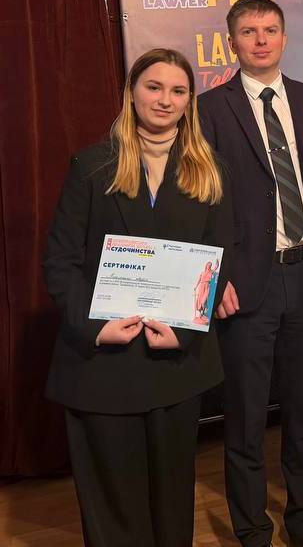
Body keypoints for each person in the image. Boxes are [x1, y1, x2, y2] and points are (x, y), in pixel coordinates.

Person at [43, 48, 232, 547]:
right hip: (103, 365)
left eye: (178, 91)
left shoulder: (209, 170)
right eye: (154, 87)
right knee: (115, 512)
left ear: (189, 102)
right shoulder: (92, 165)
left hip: (174, 363)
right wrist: (95, 327)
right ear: (131, 93)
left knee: (172, 507)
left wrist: (186, 332)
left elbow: (217, 261)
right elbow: (60, 262)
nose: (165, 100)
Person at [198, 0, 303, 547]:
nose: (261, 40)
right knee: (247, 417)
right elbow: (201, 200)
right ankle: (253, 530)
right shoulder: (209, 109)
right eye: (249, 31)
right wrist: (217, 276)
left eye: (270, 29)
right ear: (231, 41)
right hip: (244, 284)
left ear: (284, 37)